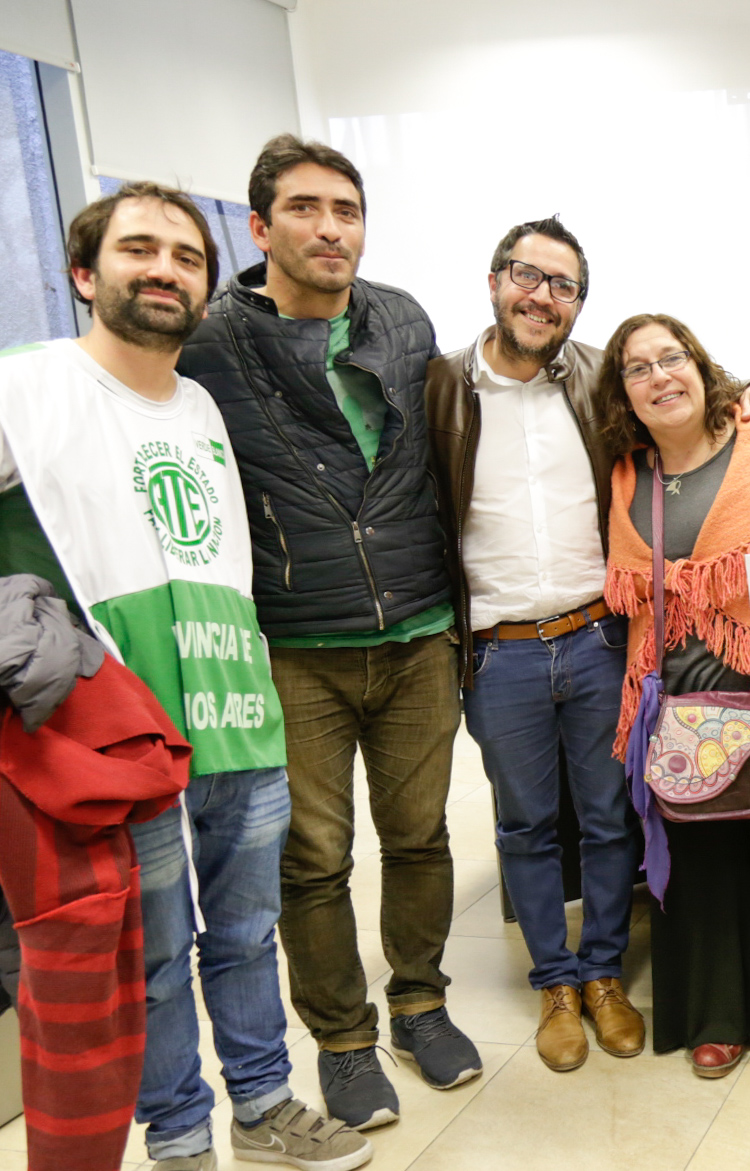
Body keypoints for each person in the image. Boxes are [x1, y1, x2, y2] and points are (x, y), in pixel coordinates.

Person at [0, 182, 370, 1171]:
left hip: (238, 714)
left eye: (186, 256)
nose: (164, 269)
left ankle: (264, 1106)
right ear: (85, 274)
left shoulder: (199, 402)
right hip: (120, 735)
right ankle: (177, 1137)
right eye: (139, 249)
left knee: (247, 933)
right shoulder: (27, 387)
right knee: (153, 955)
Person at [177, 135, 478, 1129]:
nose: (329, 227)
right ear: (259, 228)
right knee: (312, 859)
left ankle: (420, 1003)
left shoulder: (402, 317)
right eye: (304, 208)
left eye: (346, 210)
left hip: (418, 633)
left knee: (420, 837)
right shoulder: (210, 344)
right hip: (294, 644)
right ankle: (344, 1041)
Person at [598, 312, 750, 1082]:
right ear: (623, 393)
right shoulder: (626, 475)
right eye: (638, 368)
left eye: (671, 357)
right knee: (701, 863)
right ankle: (717, 1016)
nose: (659, 376)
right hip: (681, 710)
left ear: (701, 365)